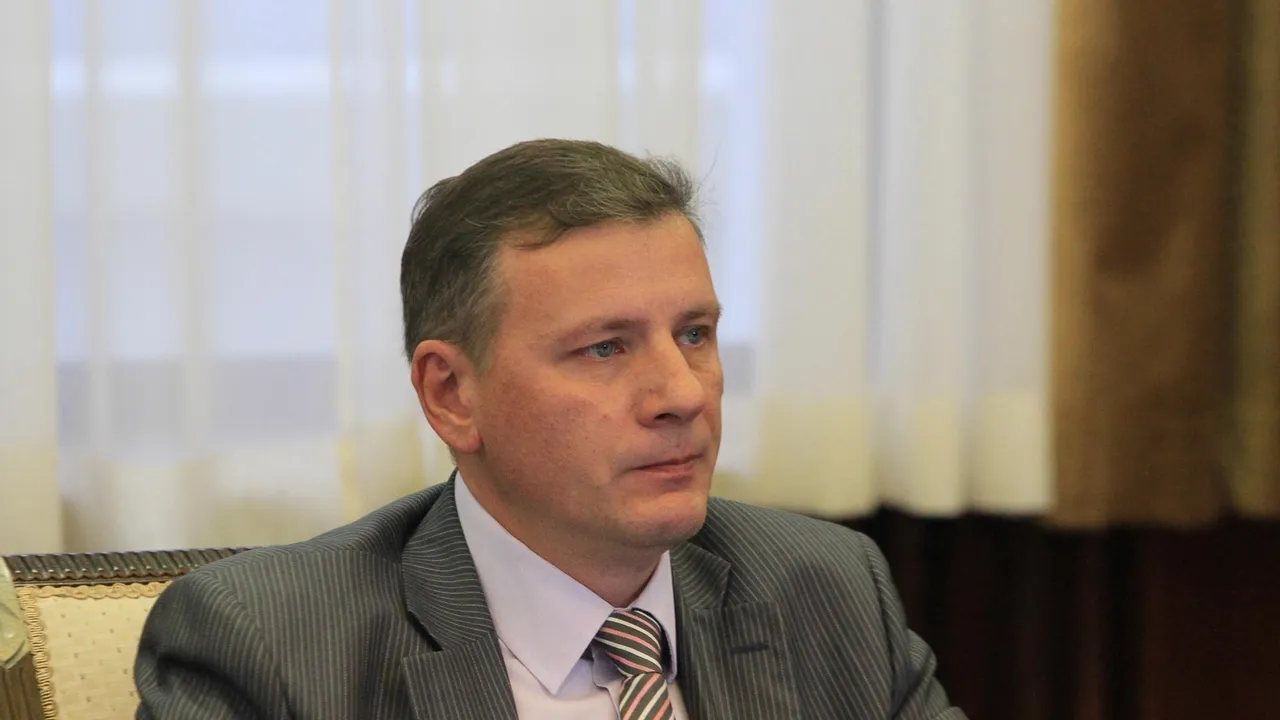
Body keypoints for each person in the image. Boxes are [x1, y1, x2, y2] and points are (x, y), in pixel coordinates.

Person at [134, 139, 966, 720]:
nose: (682, 394)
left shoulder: (827, 590)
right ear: (452, 394)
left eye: (694, 334)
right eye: (605, 348)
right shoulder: (271, 644)